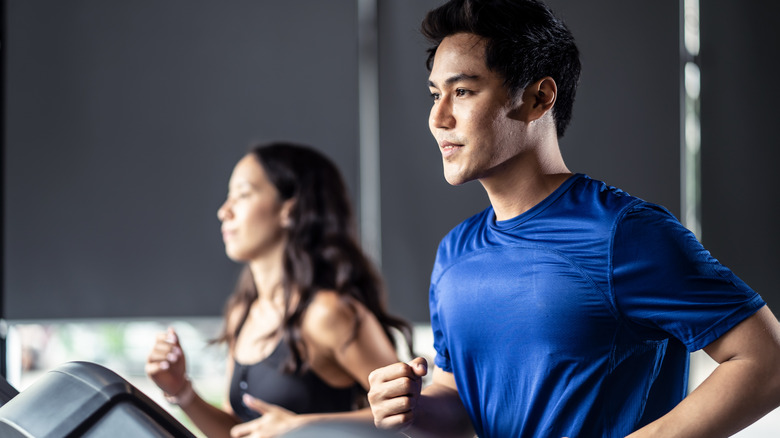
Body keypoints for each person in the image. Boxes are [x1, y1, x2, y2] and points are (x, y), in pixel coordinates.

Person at [366, 1, 780, 437]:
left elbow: (767, 361)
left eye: (463, 91)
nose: (438, 117)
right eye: (435, 94)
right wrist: (411, 407)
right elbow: (460, 401)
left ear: (539, 97)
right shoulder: (454, 251)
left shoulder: (625, 232)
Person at [146, 142, 413, 438]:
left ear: (289, 209)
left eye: (243, 194)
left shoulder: (327, 313)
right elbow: (239, 432)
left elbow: (410, 411)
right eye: (227, 197)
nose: (224, 211)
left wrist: (299, 428)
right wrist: (182, 391)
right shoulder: (242, 314)